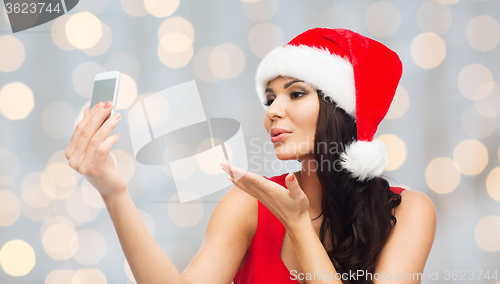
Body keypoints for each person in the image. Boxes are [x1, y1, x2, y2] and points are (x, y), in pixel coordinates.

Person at [65, 28, 436, 284]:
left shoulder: (407, 211)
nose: (272, 111)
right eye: (270, 98)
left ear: (340, 108)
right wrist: (114, 192)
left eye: (295, 93)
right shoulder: (249, 204)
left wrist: (296, 226)